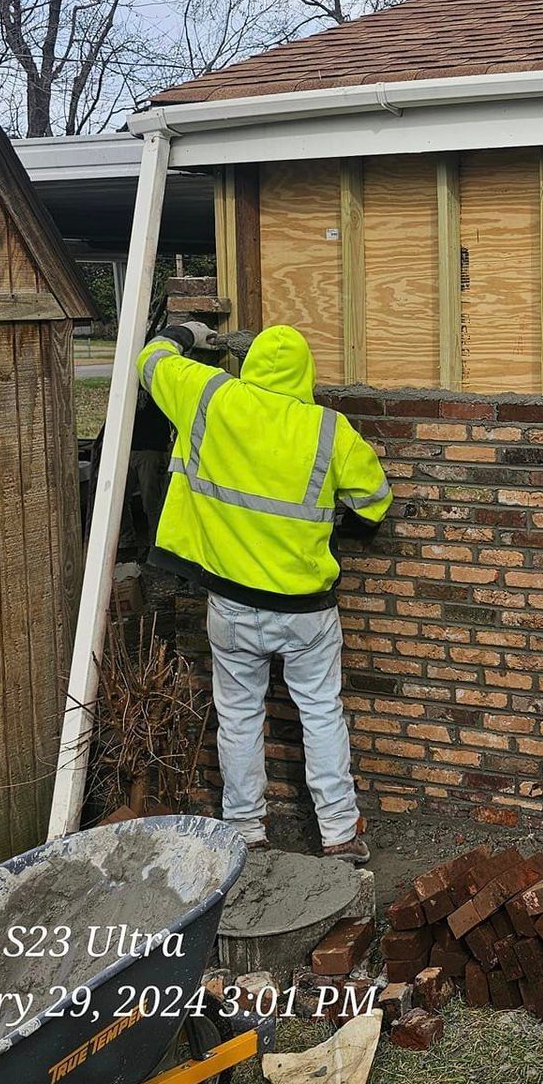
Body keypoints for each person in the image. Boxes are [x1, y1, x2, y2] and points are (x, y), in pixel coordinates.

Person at [137, 320, 392, 863]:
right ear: (307, 372)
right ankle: (340, 834)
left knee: (238, 717)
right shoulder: (328, 428)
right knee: (321, 713)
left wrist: (187, 333)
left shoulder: (210, 395)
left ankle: (246, 830)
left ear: (249, 363)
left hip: (230, 603)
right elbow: (374, 502)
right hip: (305, 610)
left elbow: (150, 361)